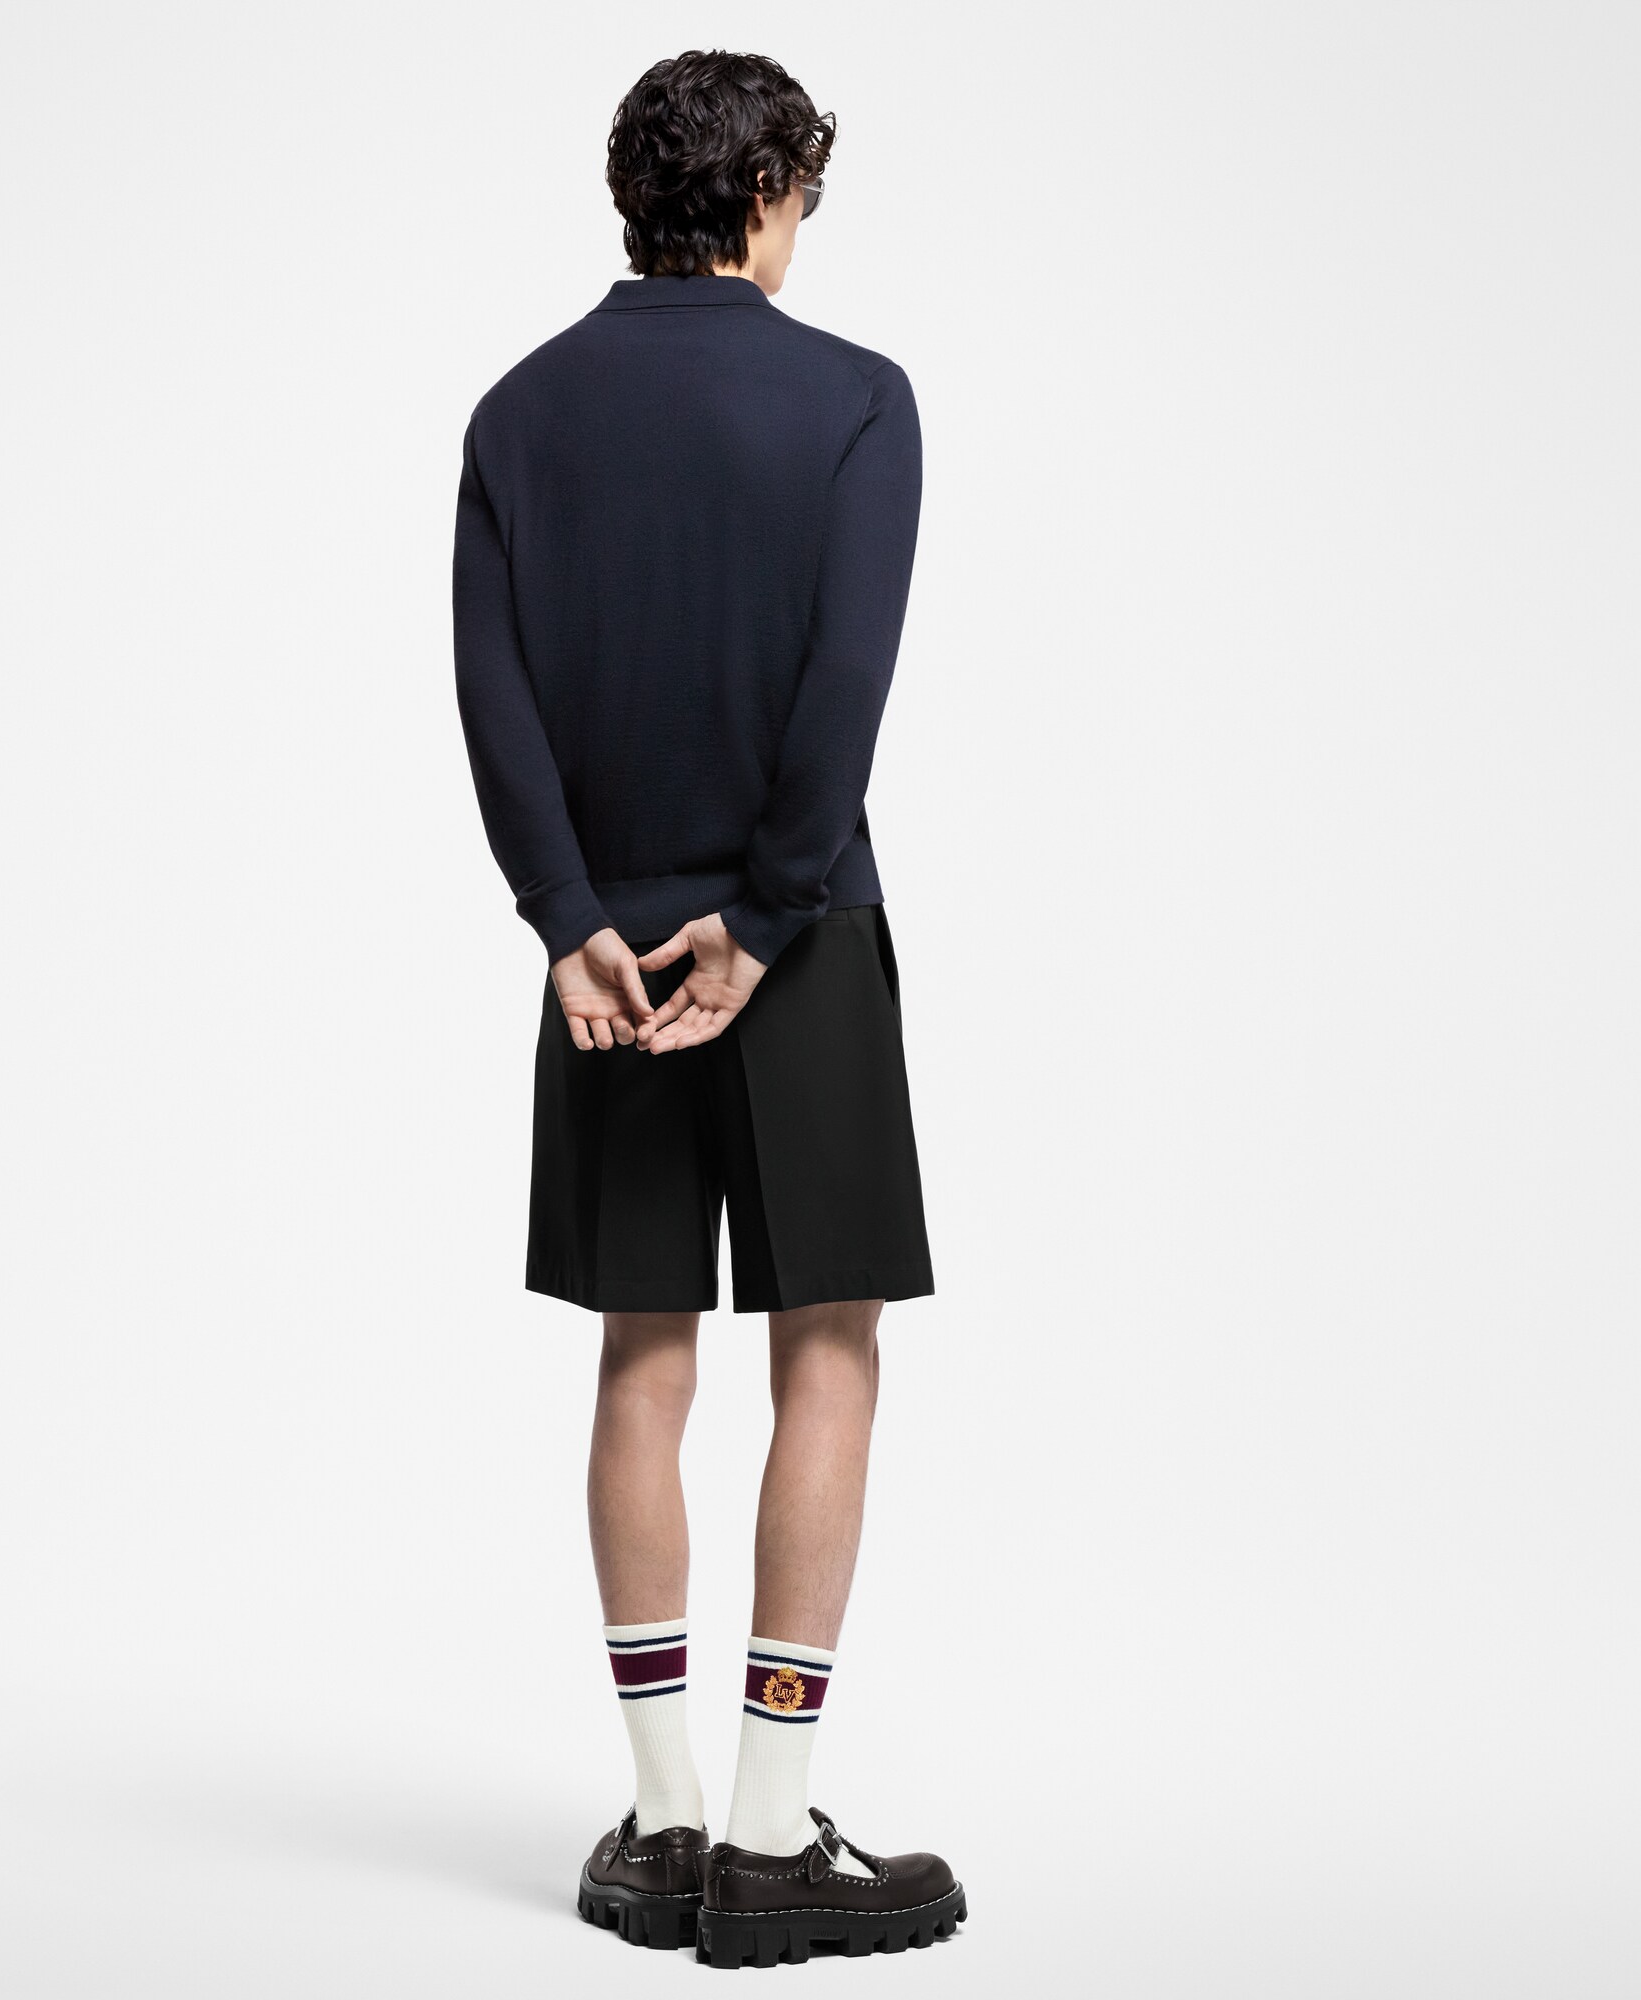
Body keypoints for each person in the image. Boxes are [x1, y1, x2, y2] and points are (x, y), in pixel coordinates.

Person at [452, 49, 965, 1968]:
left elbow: (492, 696)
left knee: (641, 1360)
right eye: (803, 198)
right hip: (801, 942)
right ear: (762, 194)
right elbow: (847, 687)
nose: (802, 230)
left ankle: (663, 1820)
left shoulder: (519, 412)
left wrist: (566, 919)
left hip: (606, 953)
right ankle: (767, 1836)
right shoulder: (856, 401)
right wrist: (763, 915)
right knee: (826, 1349)